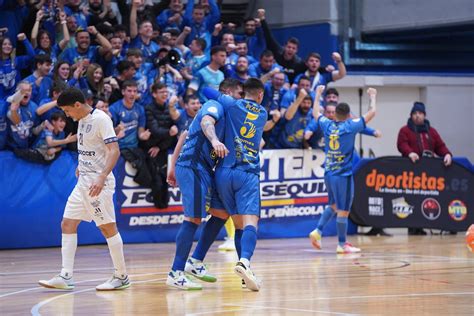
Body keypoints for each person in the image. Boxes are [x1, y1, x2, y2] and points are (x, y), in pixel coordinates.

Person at [38, 88, 130, 291]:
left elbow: (114, 150)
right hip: (83, 183)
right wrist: (83, 163)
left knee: (107, 228)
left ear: (77, 105)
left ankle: (121, 276)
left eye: (67, 111)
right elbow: (92, 147)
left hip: (99, 184)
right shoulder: (82, 120)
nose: (67, 115)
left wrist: (102, 175)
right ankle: (66, 276)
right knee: (67, 224)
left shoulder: (101, 119)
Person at [165, 79, 243, 290]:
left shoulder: (232, 116)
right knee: (193, 218)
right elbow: (205, 122)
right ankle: (175, 271)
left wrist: (171, 165)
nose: (241, 98)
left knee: (220, 212)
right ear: (226, 92)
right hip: (193, 165)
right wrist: (215, 141)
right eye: (239, 93)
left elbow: (184, 134)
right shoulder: (215, 105)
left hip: (205, 169)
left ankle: (195, 260)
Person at [206, 78, 268, 291]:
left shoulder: (232, 104)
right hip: (247, 173)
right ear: (260, 95)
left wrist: (227, 97)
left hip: (223, 171)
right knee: (251, 222)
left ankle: (244, 276)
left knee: (238, 224)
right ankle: (245, 262)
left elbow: (205, 90)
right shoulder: (263, 112)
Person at [309, 86, 377, 254]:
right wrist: (373, 96)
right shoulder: (350, 126)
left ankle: (317, 231)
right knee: (343, 210)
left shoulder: (327, 125)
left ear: (335, 113)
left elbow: (315, 113)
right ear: (347, 115)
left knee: (332, 204)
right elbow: (372, 113)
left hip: (329, 173)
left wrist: (317, 94)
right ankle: (342, 244)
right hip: (343, 175)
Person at [397, 101, 452, 235]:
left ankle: (425, 224)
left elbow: (440, 146)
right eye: (415, 113)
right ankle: (413, 227)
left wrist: (447, 154)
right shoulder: (404, 130)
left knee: (427, 198)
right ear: (411, 115)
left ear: (424, 115)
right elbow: (401, 144)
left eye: (420, 113)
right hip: (411, 173)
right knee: (412, 198)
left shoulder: (431, 131)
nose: (417, 116)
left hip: (428, 174)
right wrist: (410, 152)